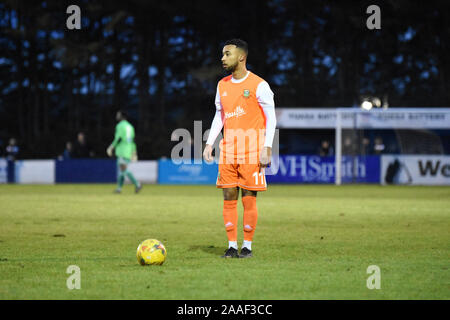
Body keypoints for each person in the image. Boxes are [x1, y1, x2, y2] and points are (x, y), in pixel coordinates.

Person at [203, 39, 277, 259]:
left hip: (252, 150)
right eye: (222, 54)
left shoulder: (259, 85)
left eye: (227, 54)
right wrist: (210, 142)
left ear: (241, 57)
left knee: (249, 197)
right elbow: (220, 115)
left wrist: (268, 147)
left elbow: (271, 117)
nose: (222, 58)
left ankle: (247, 246)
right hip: (228, 150)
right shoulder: (222, 85)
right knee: (228, 195)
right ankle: (231, 245)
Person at [107, 110, 142, 194]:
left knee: (123, 170)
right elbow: (133, 141)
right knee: (122, 170)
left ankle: (137, 184)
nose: (117, 116)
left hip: (122, 150)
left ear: (122, 116)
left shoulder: (120, 126)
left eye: (118, 115)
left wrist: (111, 147)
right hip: (128, 150)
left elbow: (118, 138)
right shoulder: (130, 127)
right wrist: (134, 151)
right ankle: (119, 189)